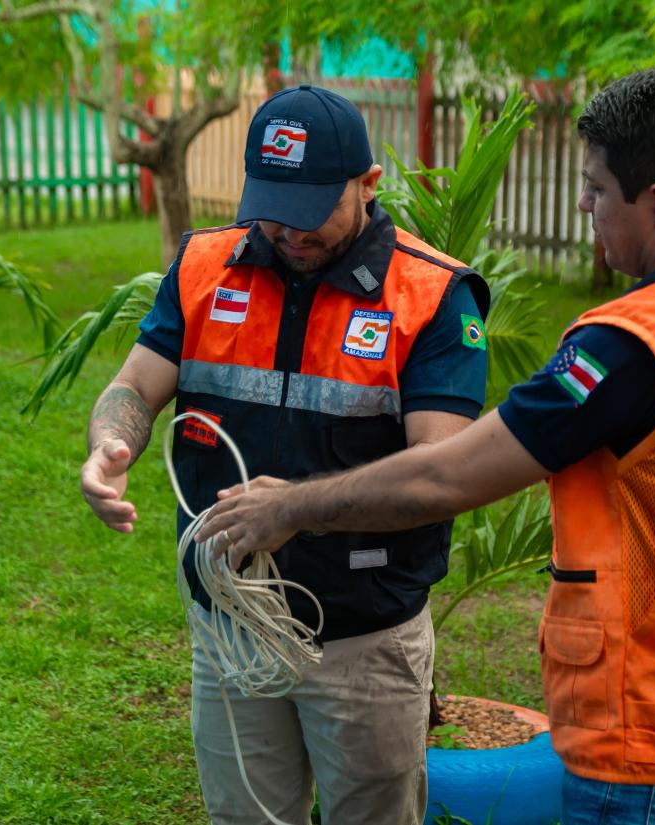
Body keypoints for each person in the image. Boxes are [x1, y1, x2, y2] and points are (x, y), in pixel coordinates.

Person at [195, 67, 655, 825]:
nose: (584, 205)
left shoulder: (632, 348)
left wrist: (291, 506)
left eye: (597, 188)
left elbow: (450, 476)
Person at [79, 84, 490, 825]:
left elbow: (440, 475)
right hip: (231, 627)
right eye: (271, 206)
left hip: (364, 642)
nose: (288, 233)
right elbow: (136, 384)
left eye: (309, 213)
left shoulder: (431, 296)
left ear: (367, 185)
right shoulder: (206, 264)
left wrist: (293, 508)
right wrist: (111, 443)